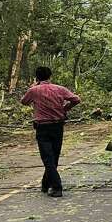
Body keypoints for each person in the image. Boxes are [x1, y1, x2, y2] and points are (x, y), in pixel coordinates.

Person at [20, 66, 81, 197]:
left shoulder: (34, 90)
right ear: (50, 76)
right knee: (54, 157)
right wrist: (65, 108)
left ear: (37, 77)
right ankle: (45, 184)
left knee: (48, 158)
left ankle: (57, 187)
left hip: (42, 127)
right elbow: (76, 99)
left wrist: (33, 88)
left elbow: (24, 102)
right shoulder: (59, 89)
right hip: (58, 126)